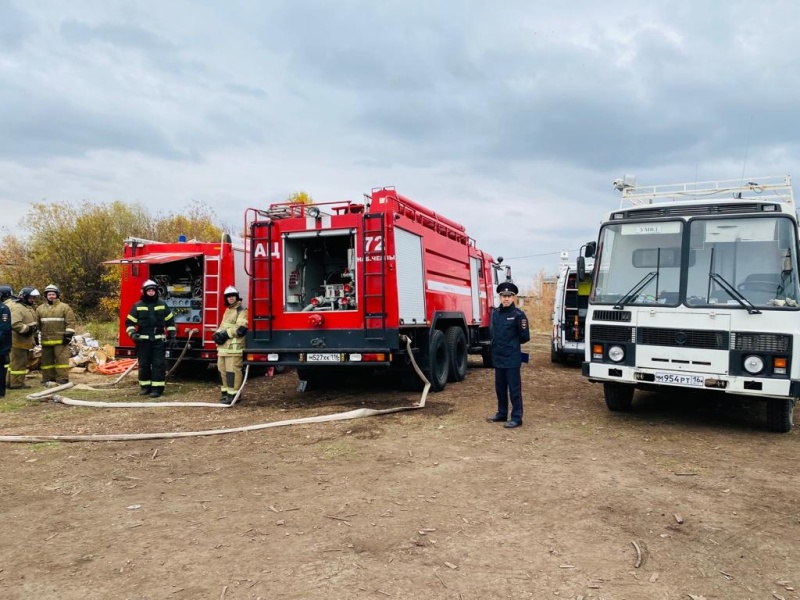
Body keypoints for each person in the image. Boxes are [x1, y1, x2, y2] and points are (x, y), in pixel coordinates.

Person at [486, 281, 530, 428]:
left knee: (514, 390)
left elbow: (524, 337)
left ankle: (517, 418)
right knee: (500, 388)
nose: (506, 299)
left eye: (509, 296)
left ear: (513, 298)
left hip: (512, 358)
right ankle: (502, 413)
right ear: (499, 297)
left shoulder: (519, 315)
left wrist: (512, 344)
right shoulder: (495, 314)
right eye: (503, 296)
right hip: (498, 358)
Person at [125, 280, 176, 398]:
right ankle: (145, 387)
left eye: (153, 290)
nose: (151, 292)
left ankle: (157, 389)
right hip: (143, 341)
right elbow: (129, 323)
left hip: (159, 341)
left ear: (156, 291)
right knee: (144, 364)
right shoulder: (137, 306)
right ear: (144, 292)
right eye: (149, 290)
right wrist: (132, 334)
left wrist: (172, 335)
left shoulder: (162, 304)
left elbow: (170, 321)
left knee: (158, 364)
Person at [213, 286, 248, 405]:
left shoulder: (242, 310)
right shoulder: (228, 310)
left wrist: (224, 334)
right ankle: (225, 393)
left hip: (234, 349)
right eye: (228, 297)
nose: (231, 298)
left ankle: (234, 395)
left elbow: (241, 329)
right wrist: (217, 334)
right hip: (223, 348)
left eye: (233, 296)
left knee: (232, 372)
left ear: (237, 297)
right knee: (221, 370)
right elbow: (224, 326)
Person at [36, 284, 78, 385]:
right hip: (46, 340)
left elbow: (71, 322)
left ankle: (62, 378)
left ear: (57, 295)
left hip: (61, 340)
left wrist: (68, 335)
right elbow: (37, 324)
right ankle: (47, 378)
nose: (51, 296)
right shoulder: (39, 309)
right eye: (49, 294)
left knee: (61, 361)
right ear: (46, 296)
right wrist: (35, 336)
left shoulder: (64, 307)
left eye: (53, 294)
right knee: (46, 362)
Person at [8, 287, 40, 389]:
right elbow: (15, 323)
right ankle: (17, 384)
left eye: (34, 298)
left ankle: (9, 382)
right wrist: (27, 329)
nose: (33, 300)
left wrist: (34, 336)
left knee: (14, 364)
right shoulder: (18, 308)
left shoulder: (27, 307)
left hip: (23, 341)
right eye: (31, 298)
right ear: (24, 297)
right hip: (18, 341)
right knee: (19, 364)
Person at [0, 297, 10, 398]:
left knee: (1, 369)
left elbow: (4, 328)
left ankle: (1, 392)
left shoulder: (3, 309)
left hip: (1, 346)